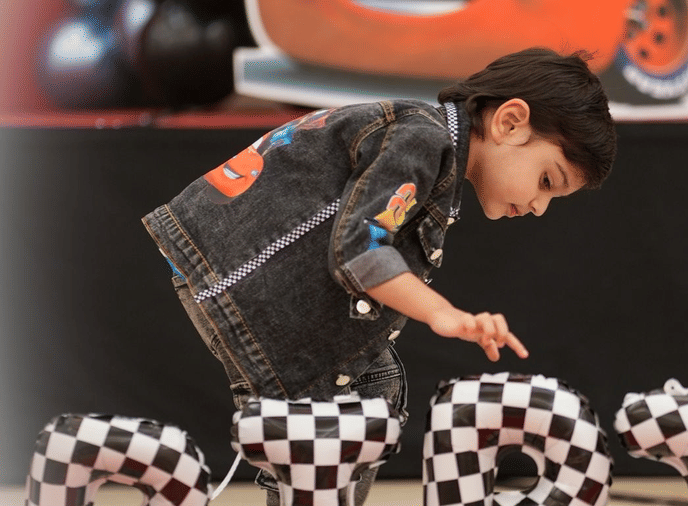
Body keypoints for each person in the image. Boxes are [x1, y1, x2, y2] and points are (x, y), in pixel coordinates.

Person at [142, 46, 616, 505]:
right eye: (547, 181)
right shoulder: (424, 140)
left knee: (370, 390)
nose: (539, 207)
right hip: (246, 276)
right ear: (509, 122)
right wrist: (443, 314)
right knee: (330, 427)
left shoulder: (424, 139)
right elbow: (358, 249)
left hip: (237, 269)